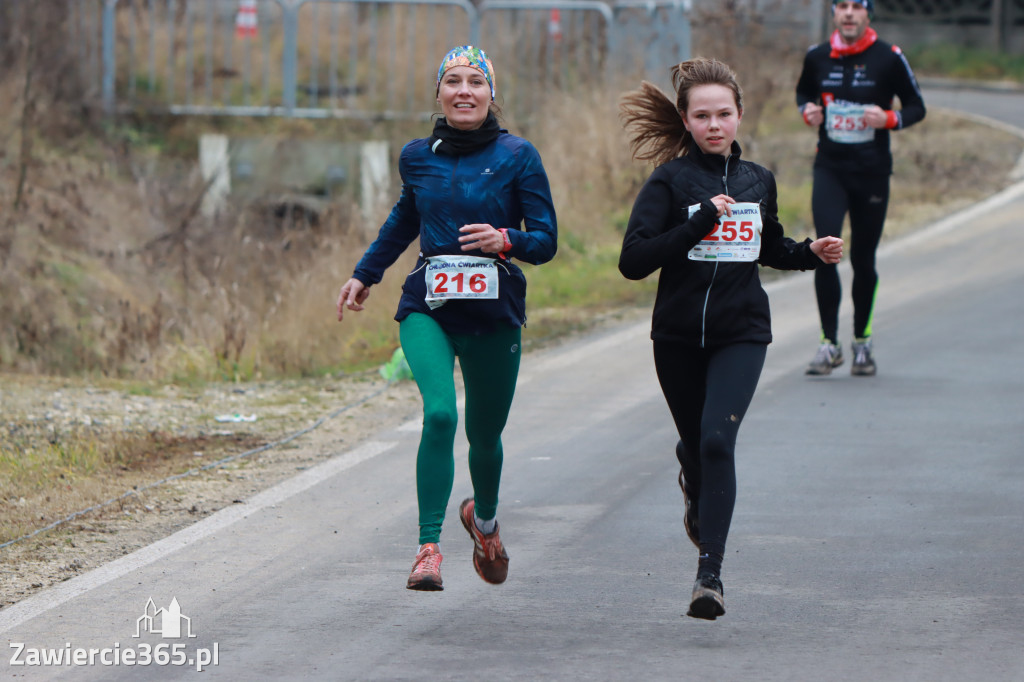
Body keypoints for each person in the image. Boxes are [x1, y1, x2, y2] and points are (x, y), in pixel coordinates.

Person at [618, 58, 843, 620]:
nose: (714, 125)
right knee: (696, 447)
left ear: (740, 115)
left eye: (724, 114)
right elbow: (633, 262)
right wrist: (696, 224)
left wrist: (808, 254)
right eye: (702, 116)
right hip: (676, 336)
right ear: (687, 122)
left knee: (719, 441)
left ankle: (709, 577)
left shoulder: (757, 180)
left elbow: (768, 247)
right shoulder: (669, 180)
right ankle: (692, 480)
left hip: (741, 332)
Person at [336, 46, 557, 591]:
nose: (464, 91)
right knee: (439, 416)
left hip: (494, 313)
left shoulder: (518, 155)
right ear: (438, 92)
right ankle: (427, 549)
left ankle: (484, 522)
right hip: (427, 307)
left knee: (485, 434)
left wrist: (506, 239)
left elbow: (547, 240)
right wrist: (366, 273)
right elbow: (405, 217)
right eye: (453, 81)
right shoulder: (417, 155)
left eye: (475, 82)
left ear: (491, 94)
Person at [796, 0, 926, 376]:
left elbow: (917, 106)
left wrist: (889, 118)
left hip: (872, 172)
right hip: (830, 169)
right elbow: (803, 94)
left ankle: (862, 342)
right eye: (842, 6)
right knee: (825, 250)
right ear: (834, 13)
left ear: (868, 13)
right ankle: (828, 344)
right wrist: (808, 111)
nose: (849, 13)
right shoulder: (817, 56)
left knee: (864, 260)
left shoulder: (888, 57)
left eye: (857, 6)